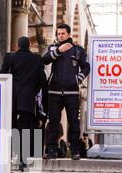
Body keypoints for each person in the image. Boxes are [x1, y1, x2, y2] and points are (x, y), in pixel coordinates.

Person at [42, 24, 91, 160]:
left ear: (69, 34)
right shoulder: (53, 48)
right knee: (53, 122)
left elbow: (86, 67)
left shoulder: (78, 50)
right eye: (58, 34)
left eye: (63, 34)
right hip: (54, 91)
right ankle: (51, 149)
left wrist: (78, 79)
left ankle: (75, 150)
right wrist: (58, 50)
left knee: (74, 122)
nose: (60, 36)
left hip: (72, 92)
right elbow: (44, 60)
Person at [0, 36, 47, 171]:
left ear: (17, 45)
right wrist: (33, 90)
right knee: (26, 128)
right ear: (30, 45)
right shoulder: (37, 59)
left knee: (12, 126)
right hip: (27, 99)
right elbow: (42, 81)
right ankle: (22, 160)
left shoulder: (10, 57)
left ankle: (8, 156)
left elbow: (2, 75)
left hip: (12, 98)